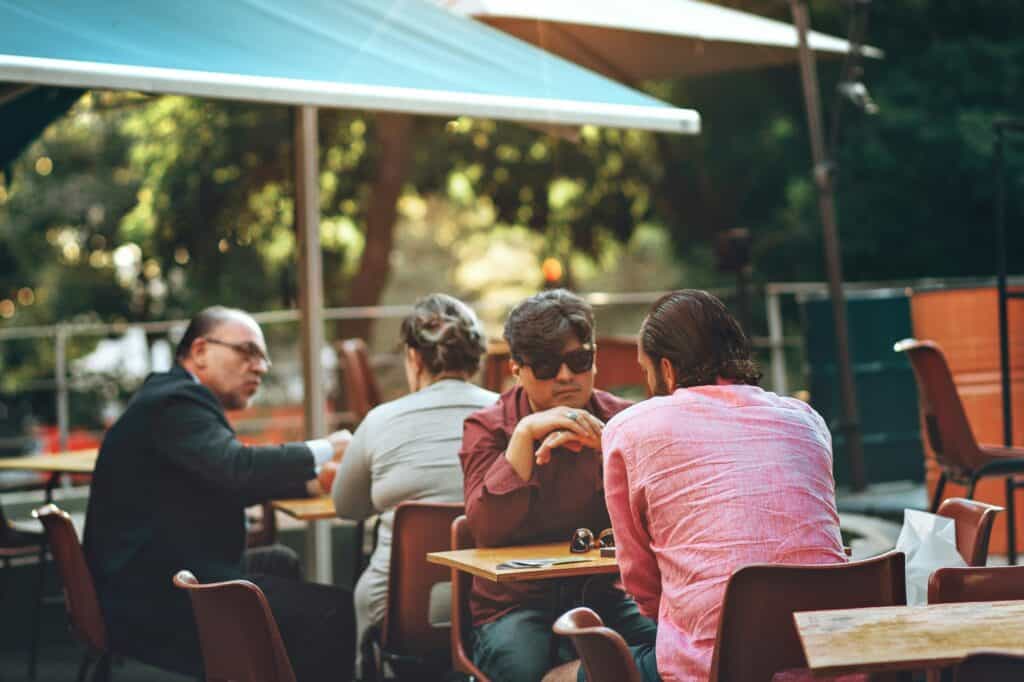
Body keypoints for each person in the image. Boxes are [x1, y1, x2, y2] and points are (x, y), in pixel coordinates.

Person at [83, 306, 356, 681]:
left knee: (280, 562)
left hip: (152, 577)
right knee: (337, 611)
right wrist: (325, 447)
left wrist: (316, 480)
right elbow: (235, 468)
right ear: (199, 351)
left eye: (263, 357)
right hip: (156, 601)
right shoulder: (176, 402)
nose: (260, 367)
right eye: (247, 352)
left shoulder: (170, 397)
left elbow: (216, 476)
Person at [595, 290, 846, 682]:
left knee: (561, 674)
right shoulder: (806, 419)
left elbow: (642, 583)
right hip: (831, 658)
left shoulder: (630, 428)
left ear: (667, 369)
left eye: (646, 373)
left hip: (714, 665)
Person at [460, 289, 657, 682]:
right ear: (516, 369)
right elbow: (485, 531)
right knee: (523, 669)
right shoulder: (486, 426)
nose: (566, 376)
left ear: (594, 359)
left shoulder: (624, 420)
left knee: (667, 650)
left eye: (579, 360)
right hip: (516, 603)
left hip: (609, 592)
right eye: (547, 366)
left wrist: (610, 453)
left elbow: (657, 521)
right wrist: (523, 436)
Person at [330, 293, 497, 674]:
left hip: (394, 607)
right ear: (476, 358)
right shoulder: (509, 416)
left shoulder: (379, 421)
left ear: (414, 358)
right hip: (490, 602)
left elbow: (347, 508)